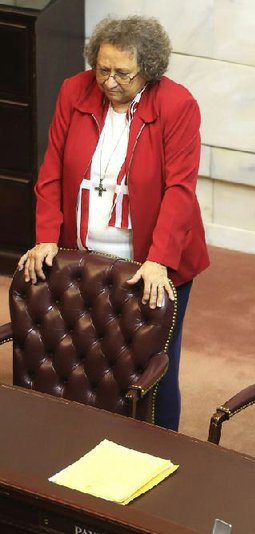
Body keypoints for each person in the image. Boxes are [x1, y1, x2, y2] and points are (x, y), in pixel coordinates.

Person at [16, 16, 209, 432]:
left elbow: (180, 190)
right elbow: (51, 169)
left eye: (123, 72)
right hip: (84, 251)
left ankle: (160, 445)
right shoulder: (74, 89)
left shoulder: (178, 105)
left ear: (149, 69)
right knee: (84, 352)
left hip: (148, 259)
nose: (109, 81)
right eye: (102, 68)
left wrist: (159, 260)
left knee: (154, 363)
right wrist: (47, 237)